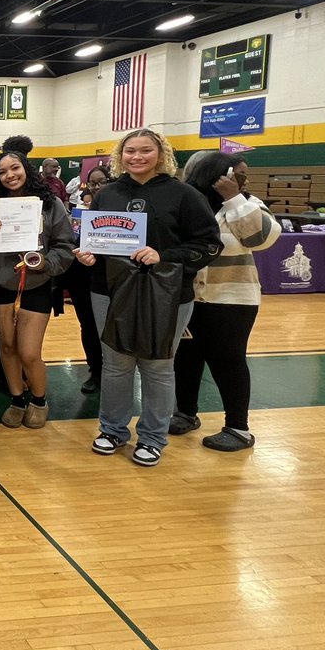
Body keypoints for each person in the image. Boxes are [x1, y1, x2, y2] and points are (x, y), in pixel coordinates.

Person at [75, 128, 222, 468]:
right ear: (119, 155)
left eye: (145, 150)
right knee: (115, 363)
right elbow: (94, 241)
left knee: (157, 365)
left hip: (167, 292)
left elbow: (209, 245)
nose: (137, 157)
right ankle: (112, 430)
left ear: (162, 154)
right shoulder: (108, 193)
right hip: (109, 290)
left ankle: (154, 437)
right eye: (130, 151)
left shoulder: (184, 195)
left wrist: (165, 255)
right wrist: (88, 254)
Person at [171, 155, 279, 452]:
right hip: (187, 296)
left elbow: (261, 238)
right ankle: (185, 413)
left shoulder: (248, 203)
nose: (245, 181)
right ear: (215, 174)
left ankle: (238, 428)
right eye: (240, 176)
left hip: (232, 298)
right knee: (186, 358)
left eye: (244, 177)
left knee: (228, 360)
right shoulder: (188, 203)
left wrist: (233, 198)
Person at [0, 149, 75, 429]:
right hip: (3, 285)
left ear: (26, 169)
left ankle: (39, 398)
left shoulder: (50, 203)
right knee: (7, 347)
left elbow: (65, 247)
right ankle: (17, 398)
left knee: (29, 352)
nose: (10, 175)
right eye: (3, 172)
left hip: (36, 284)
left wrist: (45, 262)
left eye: (15, 168)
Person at [67, 164, 112, 394]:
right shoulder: (78, 212)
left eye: (101, 181)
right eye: (93, 183)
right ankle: (96, 371)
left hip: (112, 276)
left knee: (113, 327)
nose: (97, 187)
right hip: (82, 275)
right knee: (89, 325)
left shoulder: (121, 209)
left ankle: (115, 373)